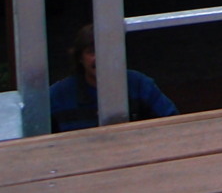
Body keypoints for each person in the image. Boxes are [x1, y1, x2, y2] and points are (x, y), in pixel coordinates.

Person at [49, 24, 178, 132]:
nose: (99, 58)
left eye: (106, 50)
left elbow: (173, 124)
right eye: (91, 52)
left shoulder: (139, 84)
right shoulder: (58, 95)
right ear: (80, 58)